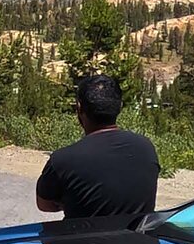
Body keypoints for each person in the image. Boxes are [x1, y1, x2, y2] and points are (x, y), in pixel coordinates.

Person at [36, 75, 159, 219]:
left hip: (81, 240)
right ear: (119, 107)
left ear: (79, 108)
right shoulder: (146, 147)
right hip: (139, 240)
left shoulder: (63, 160)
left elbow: (44, 204)